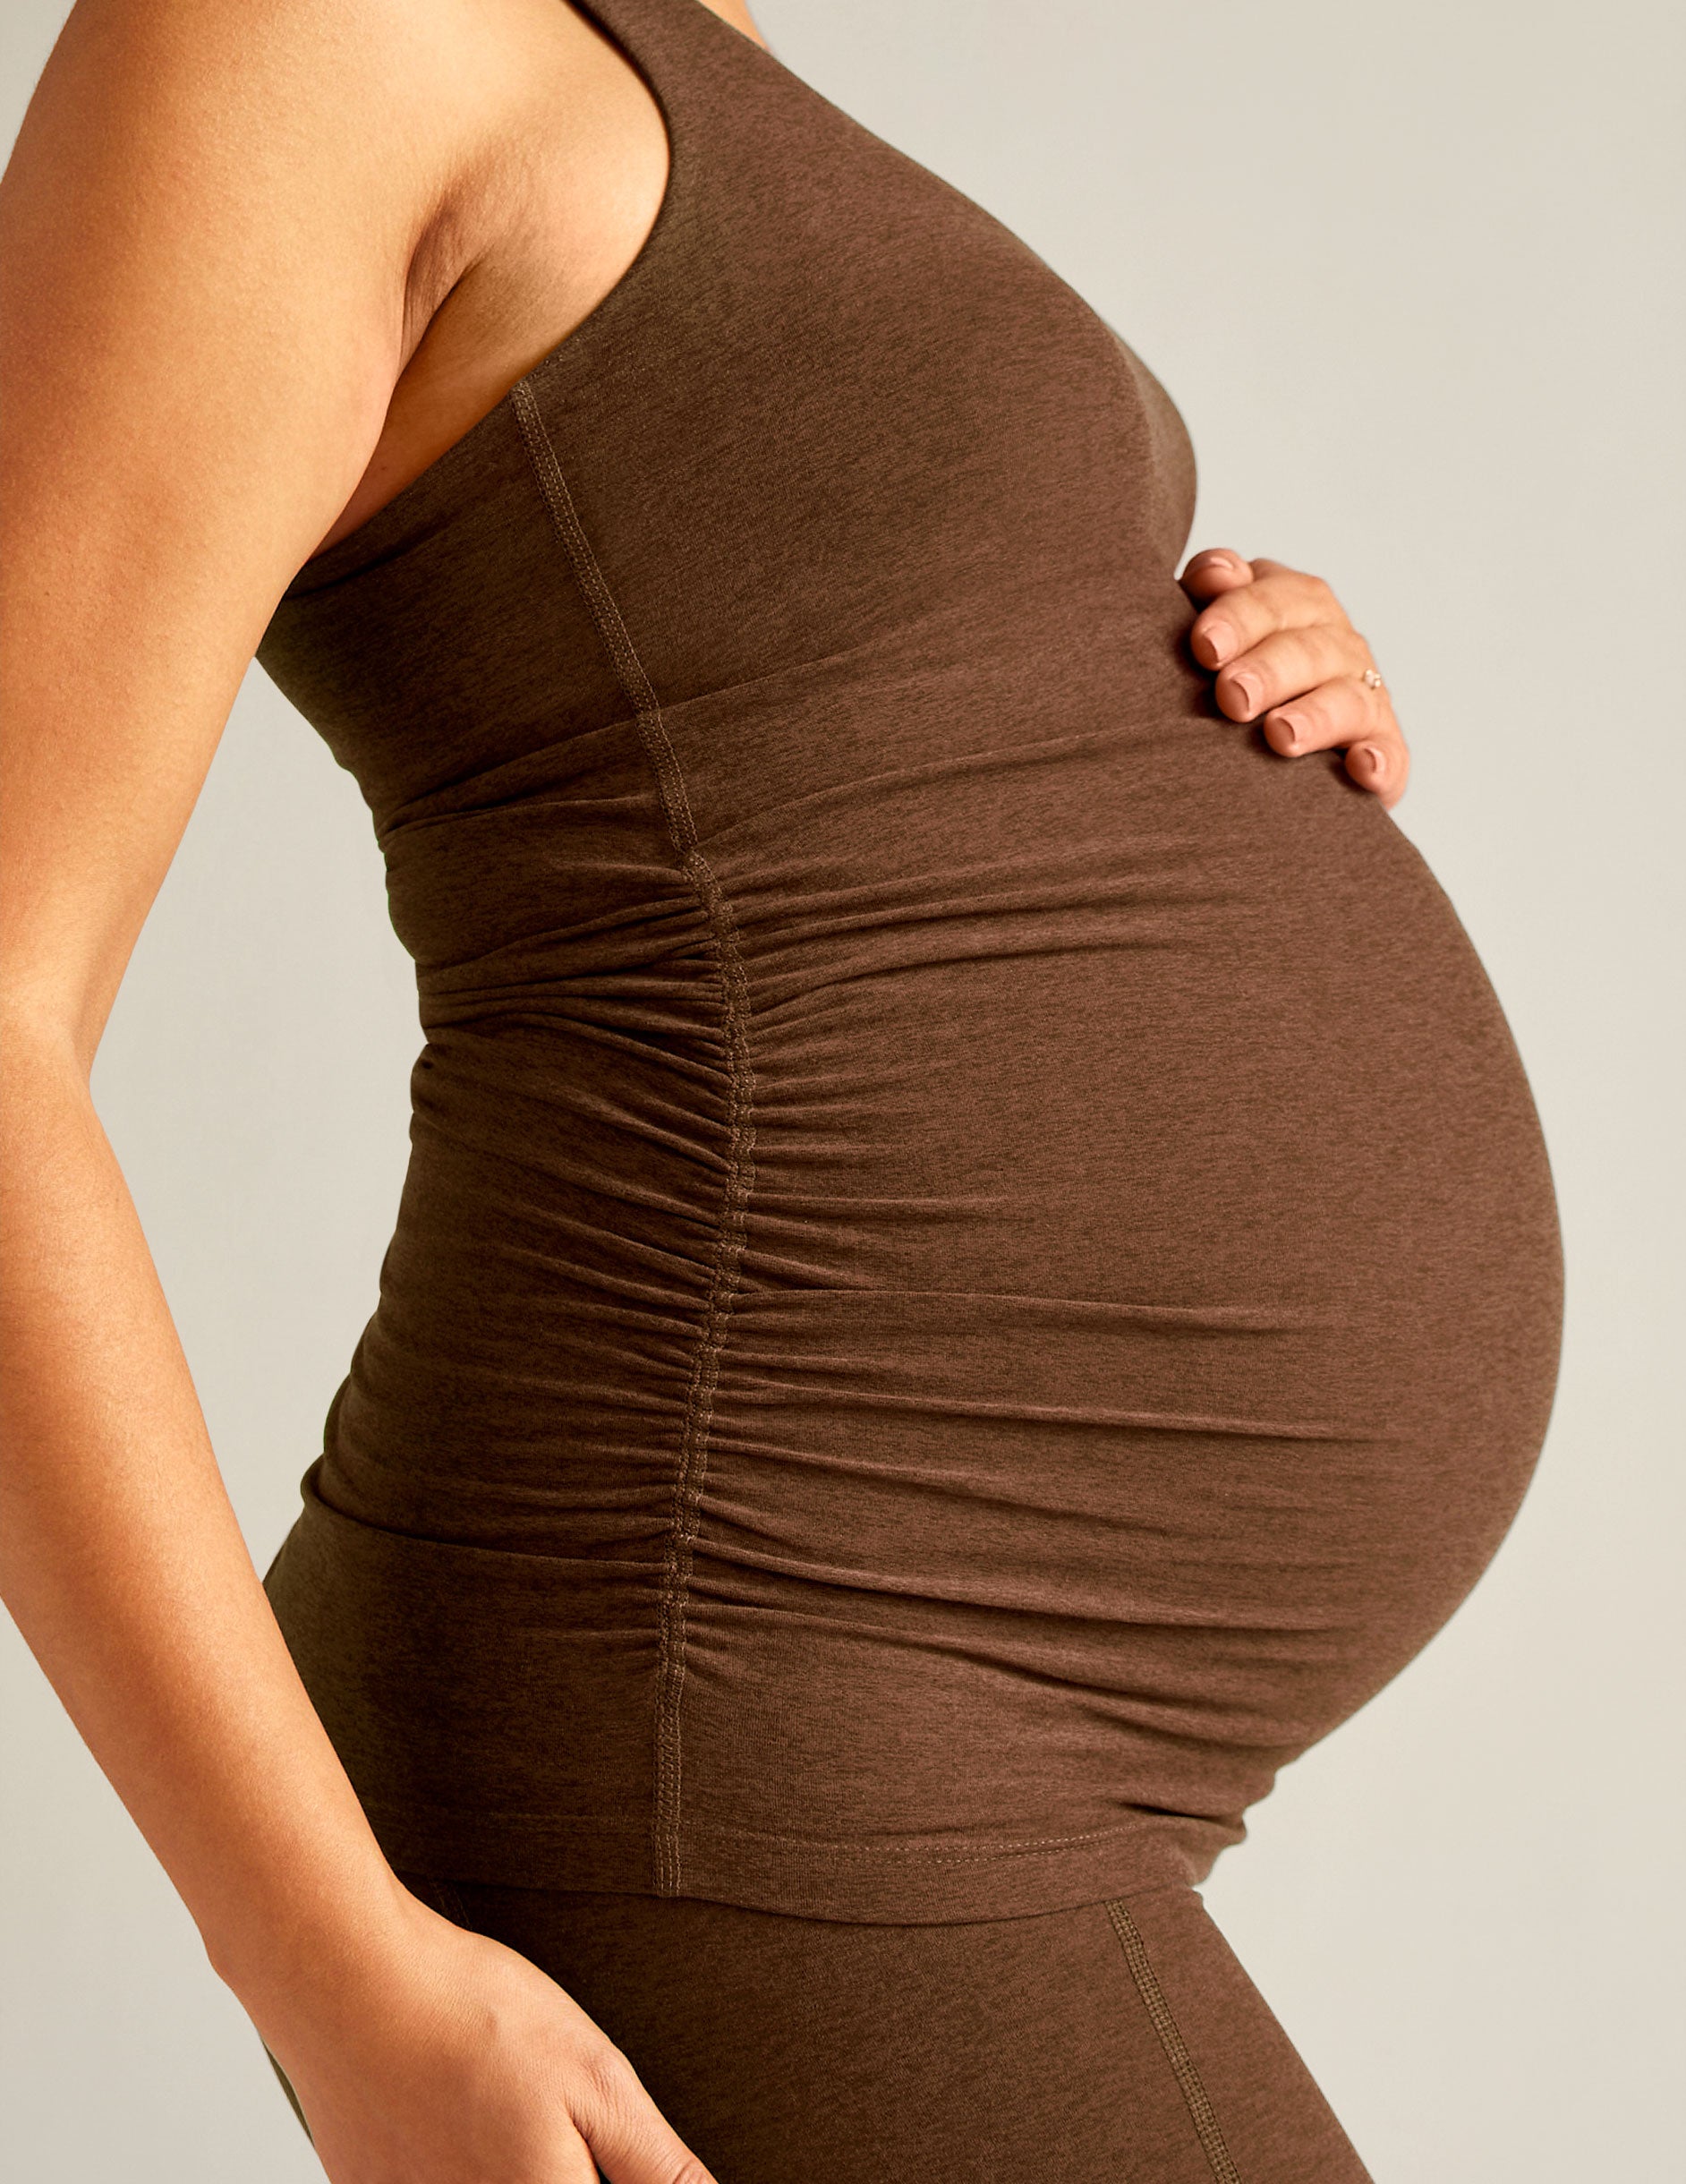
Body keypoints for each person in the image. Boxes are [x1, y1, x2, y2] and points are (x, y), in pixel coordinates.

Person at [0, 1, 1563, 2179]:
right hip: (730, 1683)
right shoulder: (291, 30)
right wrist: (322, 1959)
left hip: (866, 1711)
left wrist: (1174, 650)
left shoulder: (677, 34)